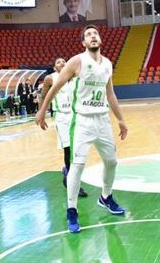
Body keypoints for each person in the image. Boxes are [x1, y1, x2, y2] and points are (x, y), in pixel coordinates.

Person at [36, 25, 128, 233]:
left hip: (103, 120)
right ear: (84, 43)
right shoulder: (77, 61)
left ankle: (106, 197)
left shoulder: (107, 64)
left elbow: (110, 94)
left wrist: (121, 119)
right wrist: (42, 111)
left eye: (95, 34)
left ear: (100, 40)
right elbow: (56, 86)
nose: (93, 36)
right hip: (82, 121)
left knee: (112, 161)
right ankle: (72, 210)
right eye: (88, 35)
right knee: (76, 166)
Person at [40, 56, 88, 198]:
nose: (62, 63)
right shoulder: (50, 78)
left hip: (76, 115)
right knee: (69, 149)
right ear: (55, 67)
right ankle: (72, 182)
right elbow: (43, 96)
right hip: (61, 117)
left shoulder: (75, 76)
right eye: (58, 62)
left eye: (64, 61)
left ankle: (67, 172)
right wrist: (41, 113)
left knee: (78, 149)